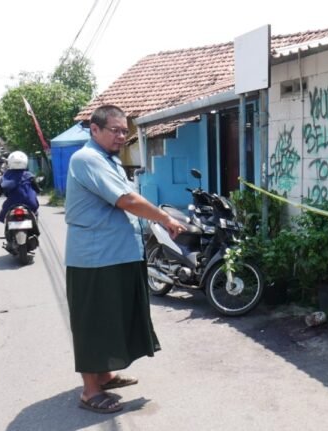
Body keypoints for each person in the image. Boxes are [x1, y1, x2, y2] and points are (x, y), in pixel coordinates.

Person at [64, 104, 187, 414]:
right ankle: (90, 391)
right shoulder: (87, 159)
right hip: (95, 259)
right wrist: (165, 219)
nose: (121, 136)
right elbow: (127, 200)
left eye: (124, 131)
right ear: (94, 129)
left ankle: (105, 375)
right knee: (92, 322)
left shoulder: (110, 161)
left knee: (112, 318)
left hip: (118, 254)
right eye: (115, 130)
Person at [0, 151, 40, 223]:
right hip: (30, 203)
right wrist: (38, 190)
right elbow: (37, 188)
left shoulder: (6, 175)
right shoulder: (29, 175)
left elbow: (0, 188)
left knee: (3, 215)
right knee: (35, 212)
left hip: (11, 203)